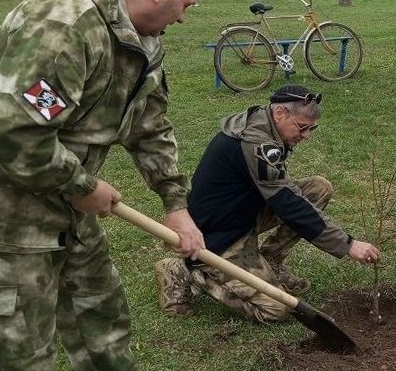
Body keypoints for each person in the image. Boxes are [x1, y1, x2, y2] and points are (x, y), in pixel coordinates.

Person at [0, 0, 207, 371]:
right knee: (25, 352)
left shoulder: (141, 40)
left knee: (102, 323)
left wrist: (174, 202)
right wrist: (81, 186)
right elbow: (13, 130)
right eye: (186, 5)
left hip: (72, 212)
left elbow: (149, 123)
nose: (184, 17)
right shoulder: (62, 25)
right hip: (11, 215)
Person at [154, 84, 381, 323]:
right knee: (276, 309)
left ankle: (270, 261)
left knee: (318, 188)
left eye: (312, 128)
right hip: (217, 235)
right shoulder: (256, 143)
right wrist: (348, 244)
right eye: (303, 128)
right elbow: (287, 203)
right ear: (280, 113)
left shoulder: (265, 123)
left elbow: (285, 194)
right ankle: (188, 271)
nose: (307, 136)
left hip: (245, 211)